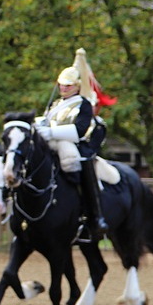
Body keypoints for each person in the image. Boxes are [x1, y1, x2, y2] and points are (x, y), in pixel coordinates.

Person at [34, 48, 108, 238]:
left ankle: (95, 215)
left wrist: (50, 131)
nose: (63, 88)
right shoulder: (56, 104)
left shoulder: (83, 103)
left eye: (68, 85)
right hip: (51, 143)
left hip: (74, 145)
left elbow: (79, 130)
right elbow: (48, 121)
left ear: (77, 86)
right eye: (61, 85)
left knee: (81, 163)